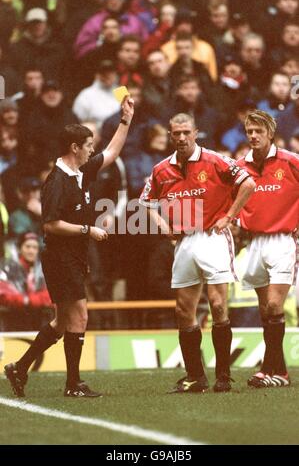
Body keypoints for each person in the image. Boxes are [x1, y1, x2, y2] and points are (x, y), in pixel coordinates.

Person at [4, 95, 134, 398]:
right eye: (88, 145)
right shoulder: (56, 182)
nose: (93, 149)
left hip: (74, 255)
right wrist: (88, 230)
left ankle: (20, 368)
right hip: (60, 256)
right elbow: (50, 224)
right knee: (79, 317)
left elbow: (112, 152)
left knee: (62, 322)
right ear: (75, 148)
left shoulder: (81, 171)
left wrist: (125, 120)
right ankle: (73, 383)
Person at [140, 112, 255, 393]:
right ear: (170, 135)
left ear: (195, 132)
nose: (181, 137)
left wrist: (229, 216)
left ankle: (224, 376)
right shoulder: (161, 169)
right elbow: (146, 201)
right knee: (183, 310)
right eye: (176, 133)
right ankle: (195, 377)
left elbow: (249, 184)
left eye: (186, 132)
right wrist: (162, 225)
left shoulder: (215, 160)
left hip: (213, 237)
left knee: (217, 306)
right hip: (184, 242)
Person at [236, 109, 299, 388]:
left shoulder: (291, 161)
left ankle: (274, 371)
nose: (253, 136)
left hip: (283, 240)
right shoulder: (239, 166)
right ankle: (275, 370)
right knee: (265, 311)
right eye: (249, 131)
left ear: (270, 133)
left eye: (258, 131)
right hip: (255, 242)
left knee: (275, 304)